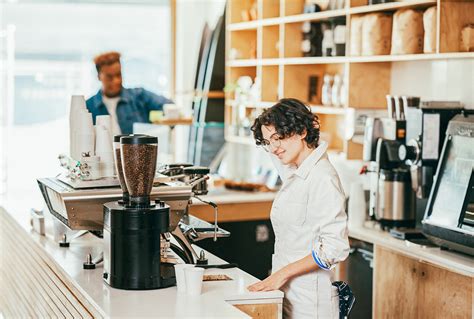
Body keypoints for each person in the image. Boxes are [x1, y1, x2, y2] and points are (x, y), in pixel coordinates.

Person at [248, 98, 350, 319]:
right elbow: (274, 148)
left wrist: (281, 275)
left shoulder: (322, 177)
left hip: (311, 303)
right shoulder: (293, 171)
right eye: (268, 141)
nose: (274, 148)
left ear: (302, 131)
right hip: (285, 294)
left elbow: (335, 247)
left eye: (278, 138)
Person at [86, 51, 172, 134]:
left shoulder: (139, 96)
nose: (116, 81)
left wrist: (154, 123)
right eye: (110, 77)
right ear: (98, 77)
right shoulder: (88, 107)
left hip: (138, 148)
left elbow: (170, 107)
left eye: (118, 75)